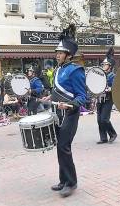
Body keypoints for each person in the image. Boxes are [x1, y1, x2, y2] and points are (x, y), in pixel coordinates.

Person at [42, 24, 86, 197]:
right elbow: (58, 91)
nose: (57, 55)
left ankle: (72, 182)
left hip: (70, 114)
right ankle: (63, 180)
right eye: (57, 53)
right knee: (60, 147)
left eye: (60, 53)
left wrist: (71, 105)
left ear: (68, 55)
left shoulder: (76, 70)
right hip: (57, 113)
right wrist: (49, 98)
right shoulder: (59, 69)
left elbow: (82, 96)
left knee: (64, 146)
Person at [96, 47, 117, 144]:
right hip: (99, 99)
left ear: (110, 66)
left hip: (108, 99)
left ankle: (112, 134)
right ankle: (103, 138)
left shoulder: (113, 76)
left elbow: (116, 88)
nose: (103, 66)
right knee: (99, 120)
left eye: (105, 64)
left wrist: (109, 89)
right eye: (103, 64)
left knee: (104, 119)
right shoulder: (99, 75)